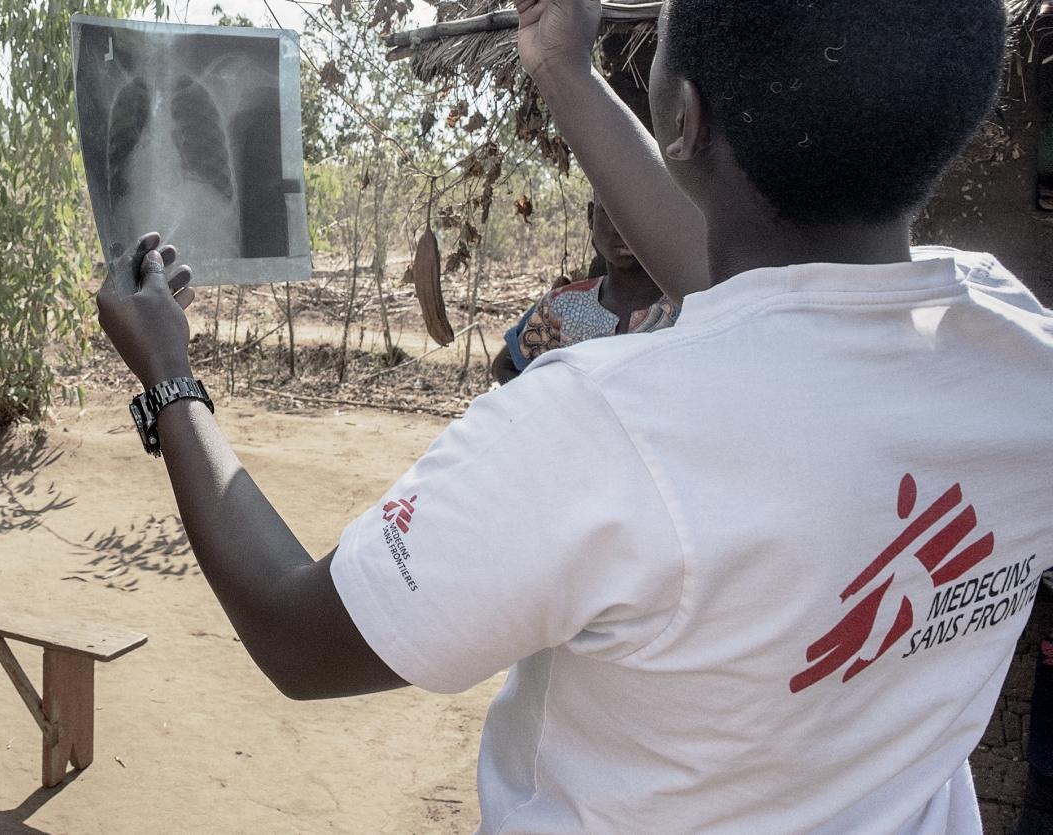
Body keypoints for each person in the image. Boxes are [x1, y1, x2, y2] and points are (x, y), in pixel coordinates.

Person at [94, 0, 1053, 830]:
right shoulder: (1017, 360)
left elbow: (296, 635)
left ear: (680, 116)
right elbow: (763, 306)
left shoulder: (607, 429)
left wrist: (171, 378)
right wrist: (565, 71)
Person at [491, 200, 677, 383]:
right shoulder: (561, 304)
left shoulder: (688, 308)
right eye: (609, 210)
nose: (623, 224)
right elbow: (504, 367)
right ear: (590, 216)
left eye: (640, 213)